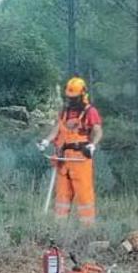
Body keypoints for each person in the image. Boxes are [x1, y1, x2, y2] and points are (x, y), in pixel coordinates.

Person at [37, 77, 103, 225]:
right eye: (69, 98)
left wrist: (93, 145)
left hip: (80, 158)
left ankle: (87, 228)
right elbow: (57, 129)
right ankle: (59, 227)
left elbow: (98, 131)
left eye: (74, 98)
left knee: (84, 195)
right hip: (64, 159)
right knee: (62, 196)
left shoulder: (90, 111)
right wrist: (46, 141)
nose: (71, 101)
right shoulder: (65, 112)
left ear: (82, 95)